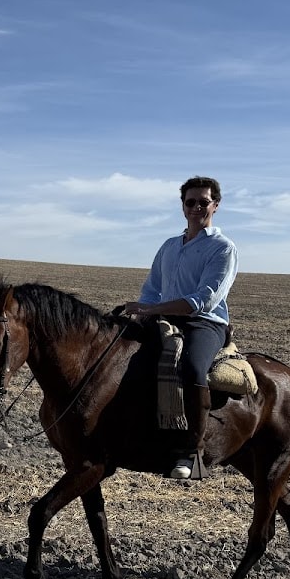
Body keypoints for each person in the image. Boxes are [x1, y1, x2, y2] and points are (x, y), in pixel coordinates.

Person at [123, 176, 238, 479]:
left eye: (203, 202)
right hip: (163, 317)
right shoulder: (170, 246)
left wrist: (152, 309)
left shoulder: (223, 248)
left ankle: (191, 451)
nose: (196, 207)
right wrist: (142, 312)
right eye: (190, 202)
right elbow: (152, 289)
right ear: (182, 205)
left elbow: (204, 300)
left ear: (216, 205)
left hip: (204, 322)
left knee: (192, 368)